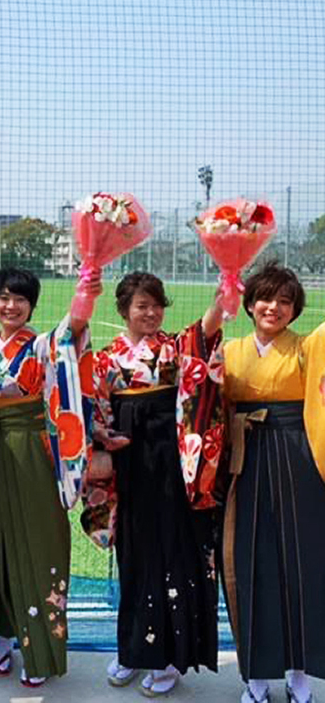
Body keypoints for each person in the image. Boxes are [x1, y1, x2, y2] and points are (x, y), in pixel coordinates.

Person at [86, 271, 225, 697]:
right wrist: (102, 439)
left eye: (156, 305)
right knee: (133, 552)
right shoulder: (106, 358)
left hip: (170, 459)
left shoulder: (176, 348)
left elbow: (206, 334)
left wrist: (225, 292)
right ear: (124, 310)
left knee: (171, 552)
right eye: (141, 305)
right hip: (128, 460)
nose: (150, 312)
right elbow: (95, 409)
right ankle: (133, 649)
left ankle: (167, 657)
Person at [0, 267, 97, 688]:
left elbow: (73, 328)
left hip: (31, 454)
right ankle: (4, 636)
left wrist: (86, 289)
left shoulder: (42, 345)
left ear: (32, 305)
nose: (11, 306)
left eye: (20, 299)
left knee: (39, 546)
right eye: (3, 297)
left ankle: (40, 649)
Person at [221, 262, 325, 703]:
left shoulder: (308, 348)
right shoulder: (228, 350)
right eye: (265, 298)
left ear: (296, 310)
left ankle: (299, 671)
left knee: (303, 564)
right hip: (244, 462)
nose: (274, 308)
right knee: (250, 564)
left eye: (286, 301)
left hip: (297, 458)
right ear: (248, 303)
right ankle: (256, 676)